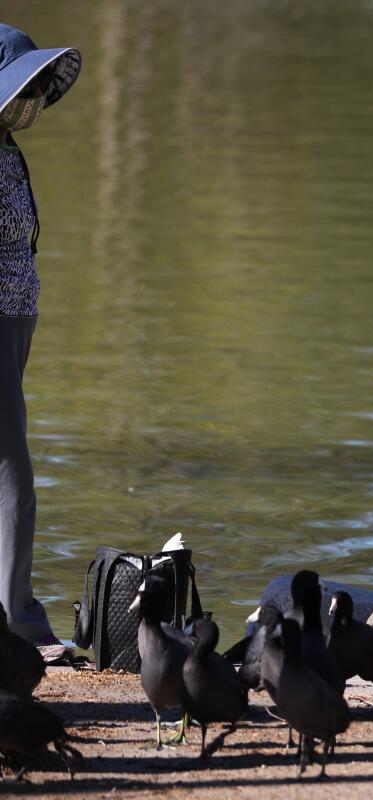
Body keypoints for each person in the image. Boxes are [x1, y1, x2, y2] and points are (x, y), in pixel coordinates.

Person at [0, 23, 82, 662]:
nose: (27, 98)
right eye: (17, 84)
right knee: (12, 475)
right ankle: (19, 623)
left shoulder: (8, 152)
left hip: (15, 325)